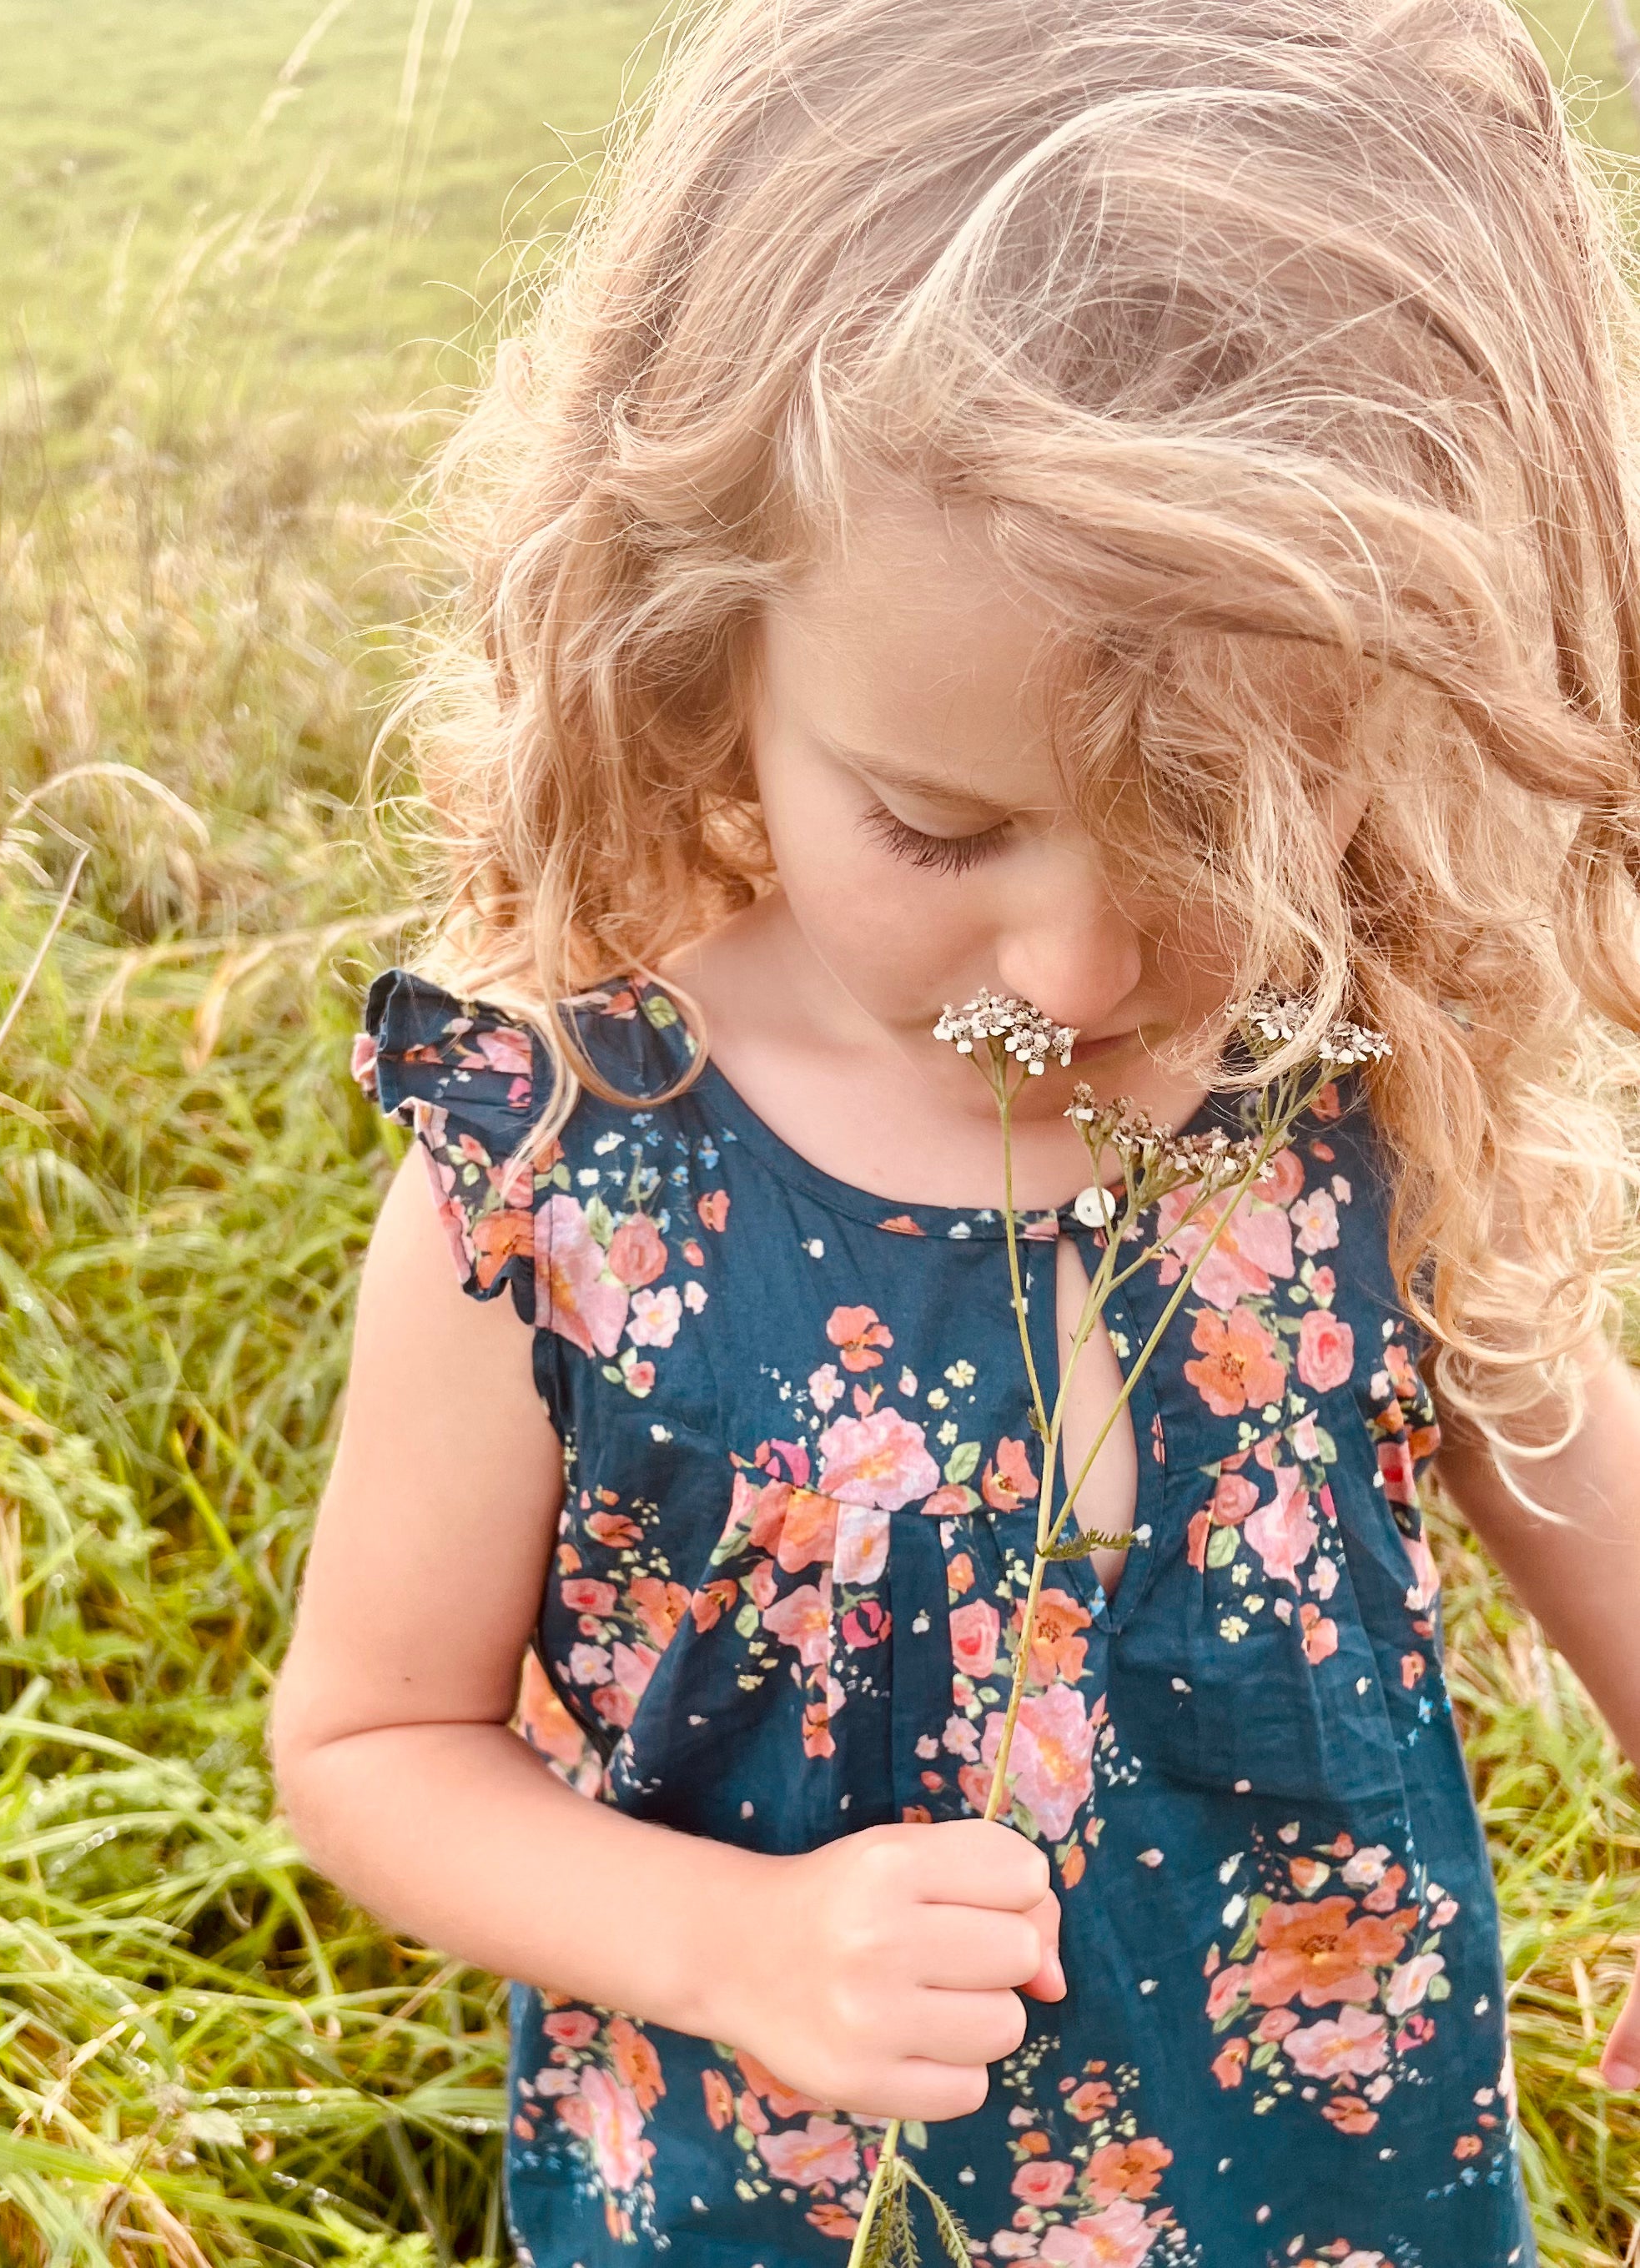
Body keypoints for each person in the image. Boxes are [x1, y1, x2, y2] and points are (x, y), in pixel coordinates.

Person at [270, 1, 1640, 2260]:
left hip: (1323, 2191)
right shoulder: (566, 1178)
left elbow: (1557, 1435)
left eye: (1219, 833)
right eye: (935, 827)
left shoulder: (1349, 1089)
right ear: (700, 661)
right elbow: (372, 1750)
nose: (1089, 976)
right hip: (775, 2200)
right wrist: (739, 1953)